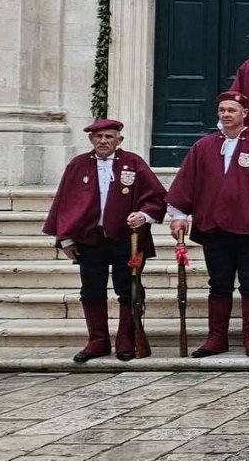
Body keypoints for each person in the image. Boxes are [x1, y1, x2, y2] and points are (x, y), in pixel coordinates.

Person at [166, 91, 249, 358]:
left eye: (231, 110)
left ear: (245, 113)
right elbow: (186, 183)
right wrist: (179, 215)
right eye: (222, 110)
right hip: (214, 227)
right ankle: (216, 338)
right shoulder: (204, 146)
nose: (226, 115)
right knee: (219, 283)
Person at [43, 119, 167, 363]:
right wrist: (66, 238)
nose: (103, 141)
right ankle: (97, 341)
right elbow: (64, 203)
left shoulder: (134, 163)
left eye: (109, 137)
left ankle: (126, 340)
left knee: (129, 290)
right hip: (90, 239)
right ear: (91, 140)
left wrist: (143, 215)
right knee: (91, 290)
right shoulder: (78, 165)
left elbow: (156, 197)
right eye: (98, 137)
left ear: (119, 140)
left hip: (126, 239)